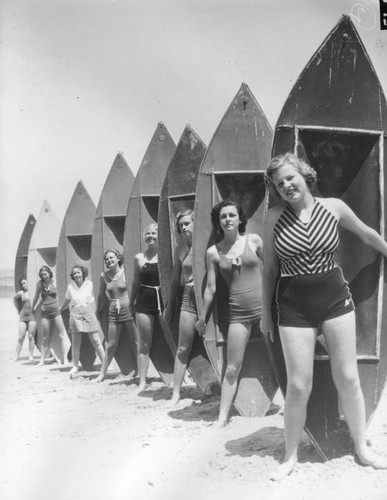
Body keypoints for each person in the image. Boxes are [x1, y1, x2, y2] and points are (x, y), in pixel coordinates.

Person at [262, 152, 387, 480]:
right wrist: (265, 315)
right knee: (299, 385)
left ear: (304, 174)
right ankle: (289, 456)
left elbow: (365, 234)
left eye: (291, 177)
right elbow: (269, 270)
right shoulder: (273, 217)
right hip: (292, 305)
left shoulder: (334, 207)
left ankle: (362, 447)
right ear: (275, 190)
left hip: (334, 298)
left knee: (348, 377)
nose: (287, 185)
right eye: (279, 184)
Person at [196, 199, 264, 426]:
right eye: (223, 216)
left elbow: (274, 269)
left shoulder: (253, 241)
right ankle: (222, 417)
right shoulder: (213, 252)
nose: (227, 219)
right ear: (218, 223)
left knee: (287, 357)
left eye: (232, 215)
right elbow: (211, 288)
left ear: (240, 219)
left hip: (265, 312)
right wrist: (202, 318)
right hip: (239, 314)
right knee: (232, 367)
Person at [164, 210, 199, 406]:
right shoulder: (180, 249)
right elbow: (175, 280)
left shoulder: (206, 245)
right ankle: (176, 392)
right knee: (183, 347)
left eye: (187, 223)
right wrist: (169, 307)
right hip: (188, 296)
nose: (184, 227)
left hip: (207, 296)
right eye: (181, 225)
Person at [129, 223, 163, 393]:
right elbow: (135, 282)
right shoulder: (139, 258)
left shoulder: (166, 254)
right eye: (148, 233)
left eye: (154, 233)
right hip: (144, 301)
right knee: (143, 344)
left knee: (172, 340)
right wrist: (131, 303)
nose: (150, 236)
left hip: (163, 300)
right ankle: (142, 381)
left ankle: (183, 377)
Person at [59, 265, 104, 378]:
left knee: (96, 340)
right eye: (74, 273)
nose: (77, 275)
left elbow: (100, 296)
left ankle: (105, 363)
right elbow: (68, 299)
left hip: (88, 311)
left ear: (83, 273)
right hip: (75, 313)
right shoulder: (71, 287)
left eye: (78, 272)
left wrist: (99, 309)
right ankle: (75, 366)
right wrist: (61, 308)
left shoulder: (90, 284)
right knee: (76, 342)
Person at [95, 249, 132, 382]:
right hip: (112, 310)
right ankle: (101, 374)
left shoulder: (126, 272)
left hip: (128, 309)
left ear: (118, 259)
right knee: (110, 344)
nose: (109, 261)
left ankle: (141, 372)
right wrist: (98, 310)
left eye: (111, 258)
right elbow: (101, 295)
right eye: (106, 259)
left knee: (137, 341)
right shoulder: (103, 276)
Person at [32, 265, 68, 366]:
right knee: (44, 337)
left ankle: (64, 359)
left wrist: (64, 306)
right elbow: (35, 297)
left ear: (49, 273)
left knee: (61, 336)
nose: (44, 276)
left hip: (56, 311)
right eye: (42, 275)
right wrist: (32, 308)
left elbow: (64, 294)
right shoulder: (40, 284)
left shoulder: (55, 282)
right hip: (45, 313)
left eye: (45, 274)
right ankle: (42, 360)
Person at [12, 278, 36, 361]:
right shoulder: (21, 293)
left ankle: (31, 356)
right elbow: (14, 298)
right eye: (22, 284)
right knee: (20, 337)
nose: (23, 285)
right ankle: (16, 356)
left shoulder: (33, 292)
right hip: (23, 317)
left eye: (25, 283)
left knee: (31, 336)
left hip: (32, 316)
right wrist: (18, 309)